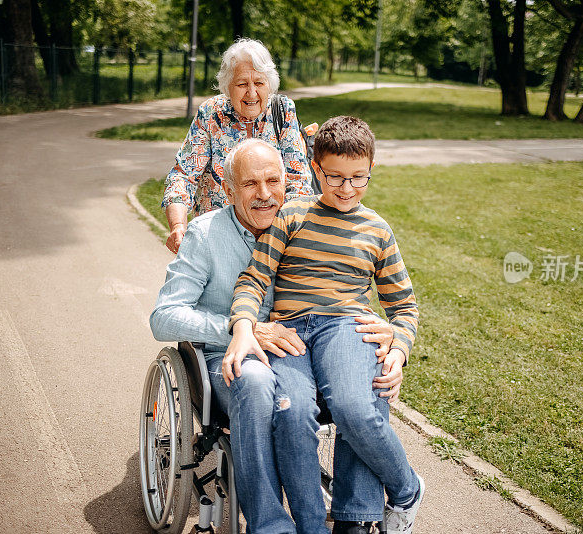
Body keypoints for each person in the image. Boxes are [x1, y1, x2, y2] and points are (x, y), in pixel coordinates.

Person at [150, 138, 401, 534]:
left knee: (366, 378)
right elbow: (164, 317)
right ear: (229, 189)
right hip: (232, 360)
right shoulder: (205, 235)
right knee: (258, 381)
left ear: (289, 181)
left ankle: (358, 516)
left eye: (273, 181)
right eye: (250, 184)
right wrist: (240, 330)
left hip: (303, 353)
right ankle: (270, 525)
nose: (265, 194)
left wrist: (390, 336)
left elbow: (346, 282)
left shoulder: (302, 220)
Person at [225, 117, 425, 534]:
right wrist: (244, 325)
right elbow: (254, 278)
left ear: (371, 171)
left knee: (357, 408)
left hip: (344, 328)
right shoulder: (293, 214)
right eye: (335, 177)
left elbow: (403, 307)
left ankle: (404, 489)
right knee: (293, 411)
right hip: (291, 332)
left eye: (359, 178)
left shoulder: (377, 230)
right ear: (317, 170)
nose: (347, 188)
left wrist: (400, 350)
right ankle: (310, 526)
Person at [161, 37, 313, 254]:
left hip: (272, 241)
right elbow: (183, 175)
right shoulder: (211, 114)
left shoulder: (283, 110)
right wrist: (178, 226)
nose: (251, 93)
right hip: (216, 241)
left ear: (269, 83)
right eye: (242, 84)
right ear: (227, 86)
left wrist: (282, 237)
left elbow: (298, 182)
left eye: (259, 83)